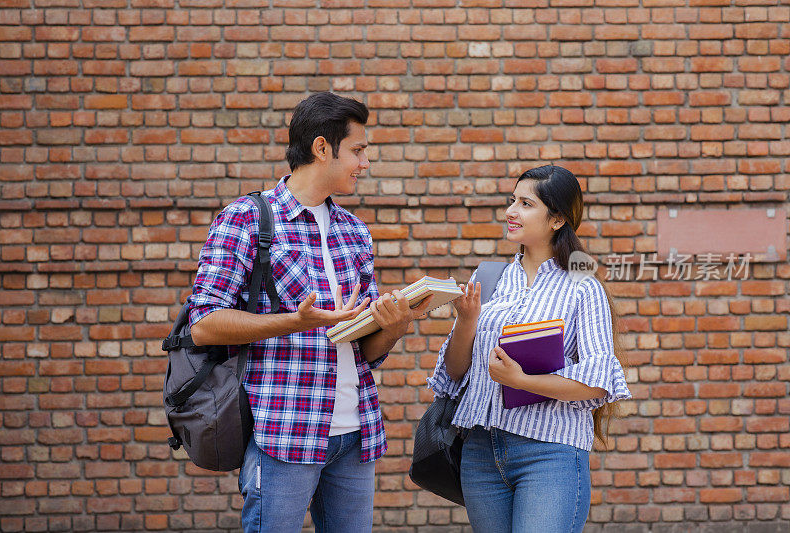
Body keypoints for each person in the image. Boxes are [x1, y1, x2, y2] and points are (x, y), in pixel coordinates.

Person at [188, 92, 430, 533]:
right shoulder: (246, 219)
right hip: (283, 431)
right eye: (358, 150)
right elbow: (203, 325)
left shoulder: (354, 231)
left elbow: (366, 350)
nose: (366, 162)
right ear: (322, 148)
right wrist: (293, 323)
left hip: (355, 433)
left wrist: (394, 326)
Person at [428, 165, 632, 533]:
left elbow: (597, 383)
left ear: (556, 219)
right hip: (480, 452)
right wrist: (467, 321)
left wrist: (521, 380)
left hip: (549, 454)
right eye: (512, 201)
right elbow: (455, 372)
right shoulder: (488, 278)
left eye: (525, 203)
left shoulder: (582, 288)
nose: (511, 211)